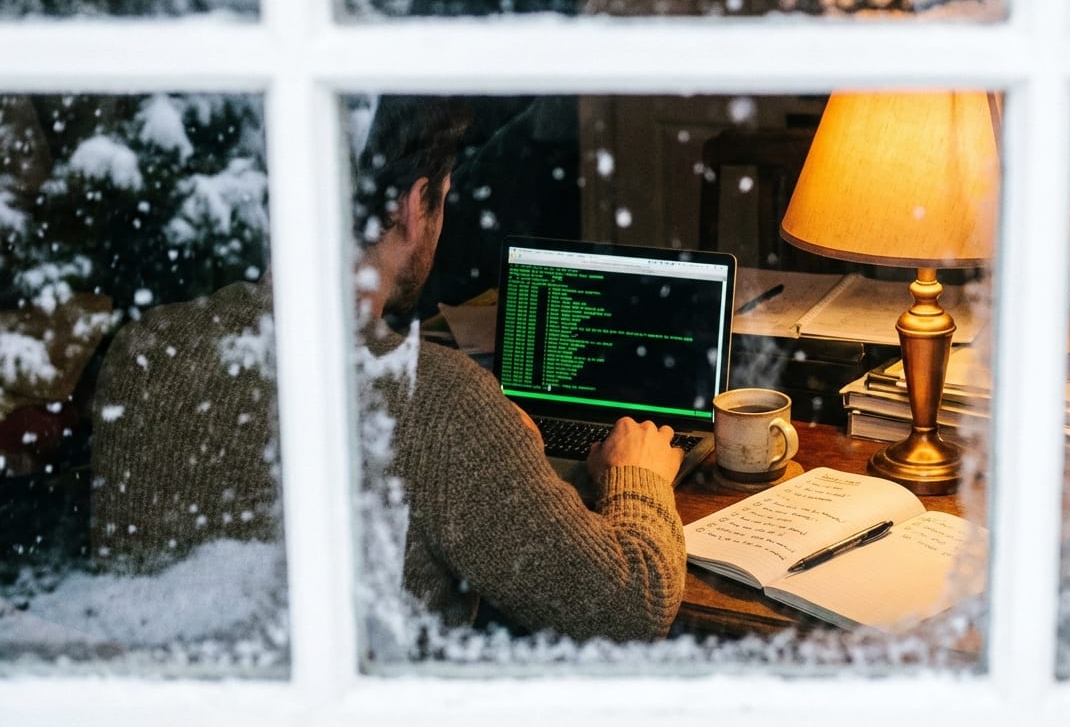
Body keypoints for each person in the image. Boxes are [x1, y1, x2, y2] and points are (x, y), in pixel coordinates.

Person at [90, 96, 688, 643]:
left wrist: (498, 456)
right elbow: (632, 609)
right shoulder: (439, 404)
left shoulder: (144, 348)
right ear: (411, 204)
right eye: (442, 200)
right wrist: (639, 477)